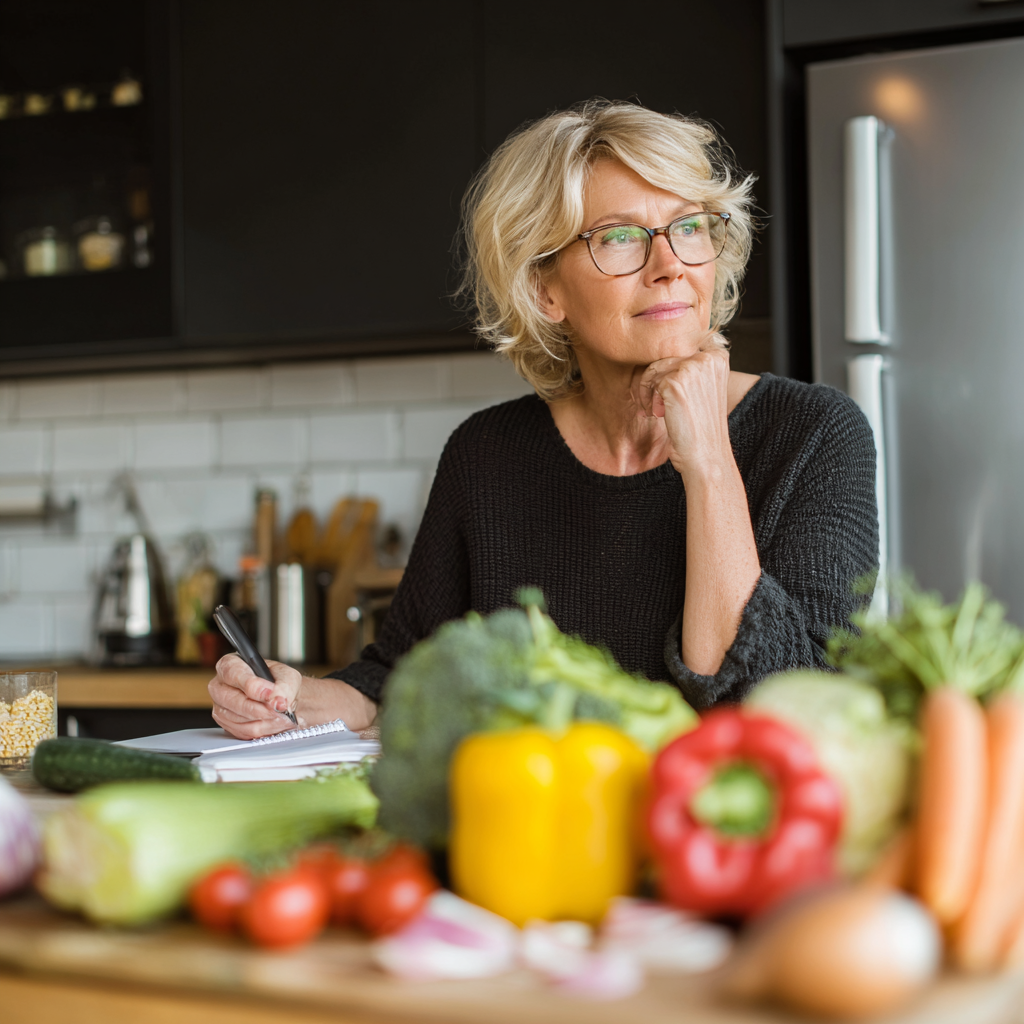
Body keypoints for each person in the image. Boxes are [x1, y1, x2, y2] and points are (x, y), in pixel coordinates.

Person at [209, 99, 878, 740]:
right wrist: (293, 698)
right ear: (544, 289)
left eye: (690, 227)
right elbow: (402, 678)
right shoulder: (488, 455)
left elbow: (787, 709)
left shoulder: (815, 435)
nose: (670, 265)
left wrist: (707, 461)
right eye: (619, 238)